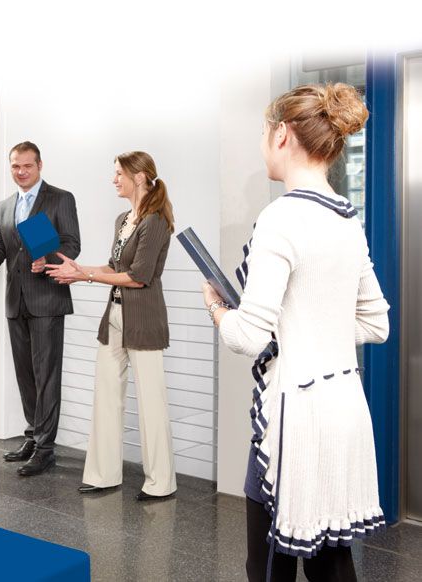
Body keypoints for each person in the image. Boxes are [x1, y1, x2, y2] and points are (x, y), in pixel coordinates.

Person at [202, 83, 389, 580]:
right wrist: (310, 328)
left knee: (268, 568)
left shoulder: (280, 218)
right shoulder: (347, 218)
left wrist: (217, 308)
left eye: (264, 131)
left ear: (282, 134)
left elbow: (248, 335)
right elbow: (377, 323)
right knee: (332, 564)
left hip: (293, 418)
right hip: (345, 408)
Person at [47, 151, 177, 501]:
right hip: (115, 316)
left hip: (144, 320)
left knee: (151, 402)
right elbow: (112, 267)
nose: (114, 179)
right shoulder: (123, 219)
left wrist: (86, 277)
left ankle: (161, 482)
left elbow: (138, 277)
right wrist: (79, 270)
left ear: (139, 176)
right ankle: (103, 475)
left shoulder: (155, 221)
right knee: (106, 395)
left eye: (119, 173)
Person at [0, 141, 80, 476]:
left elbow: (72, 244)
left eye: (27, 166)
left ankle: (45, 449)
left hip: (47, 298)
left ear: (40, 165)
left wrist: (47, 258)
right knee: (26, 374)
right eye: (15, 166)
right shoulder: (5, 206)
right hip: (15, 300)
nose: (20, 172)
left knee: (46, 375)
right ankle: (33, 437)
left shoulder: (60, 198)